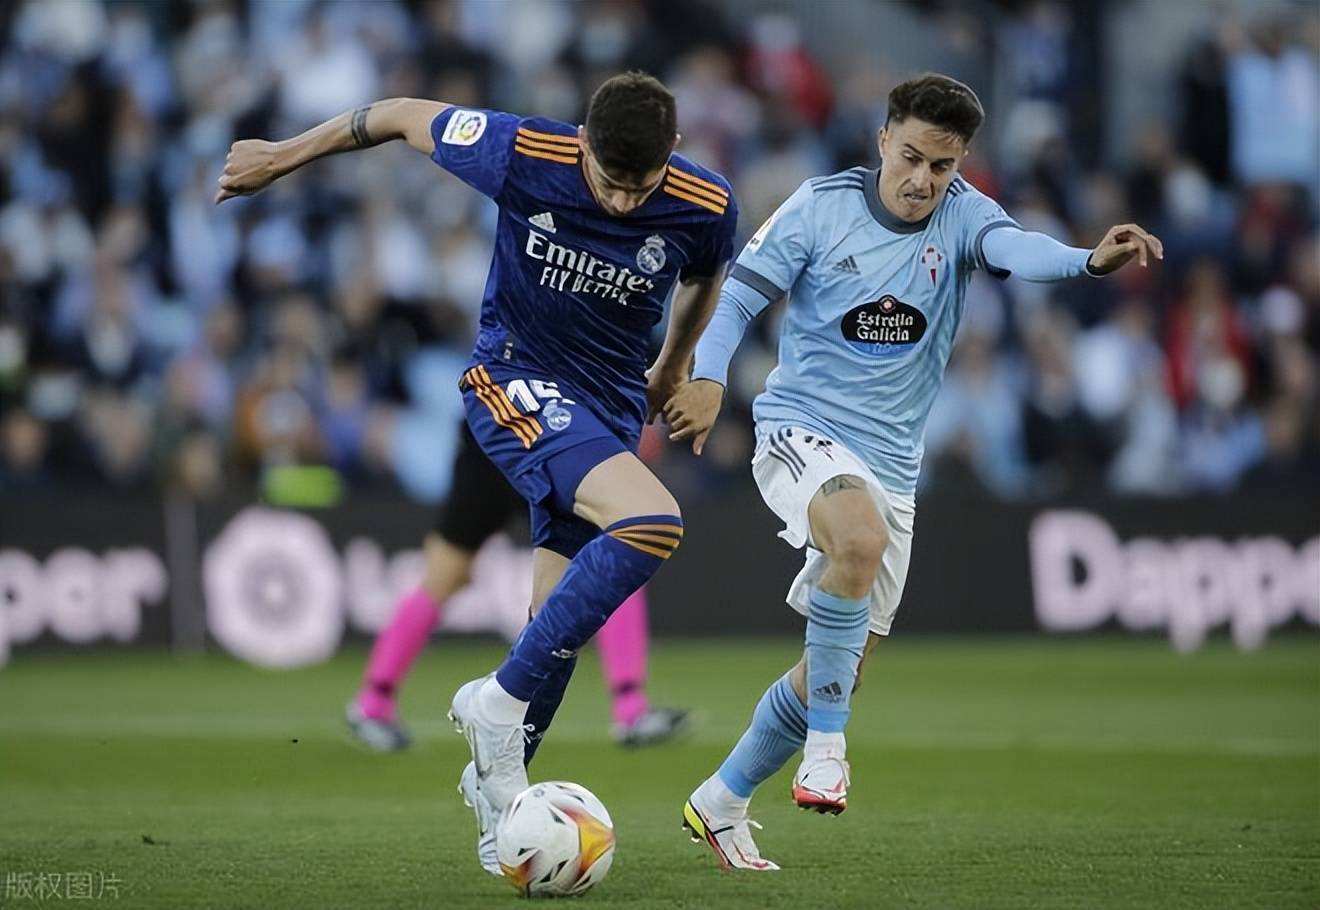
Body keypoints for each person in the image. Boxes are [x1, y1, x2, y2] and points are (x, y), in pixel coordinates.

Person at [217, 72, 737, 875]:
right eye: (608, 183)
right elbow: (392, 115)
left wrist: (674, 368)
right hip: (513, 375)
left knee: (554, 623)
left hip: (606, 410)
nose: (627, 205)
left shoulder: (704, 204)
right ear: (584, 145)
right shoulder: (523, 150)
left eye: (641, 188)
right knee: (653, 523)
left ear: (672, 153)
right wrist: (282, 157)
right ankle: (491, 704)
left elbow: (706, 277)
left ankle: (499, 808)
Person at [665, 73, 1162, 871]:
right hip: (801, 429)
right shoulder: (819, 206)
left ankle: (720, 800)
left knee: (839, 668)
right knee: (854, 544)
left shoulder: (964, 215)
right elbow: (735, 302)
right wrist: (712, 378)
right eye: (912, 157)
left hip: (893, 465)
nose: (924, 179)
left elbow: (1016, 249)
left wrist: (1086, 261)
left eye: (944, 165)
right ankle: (828, 751)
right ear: (881, 140)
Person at [345, 423, 688, 753]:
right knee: (611, 558)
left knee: (611, 554)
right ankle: (630, 709)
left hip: (508, 438)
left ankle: (374, 701)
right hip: (544, 441)